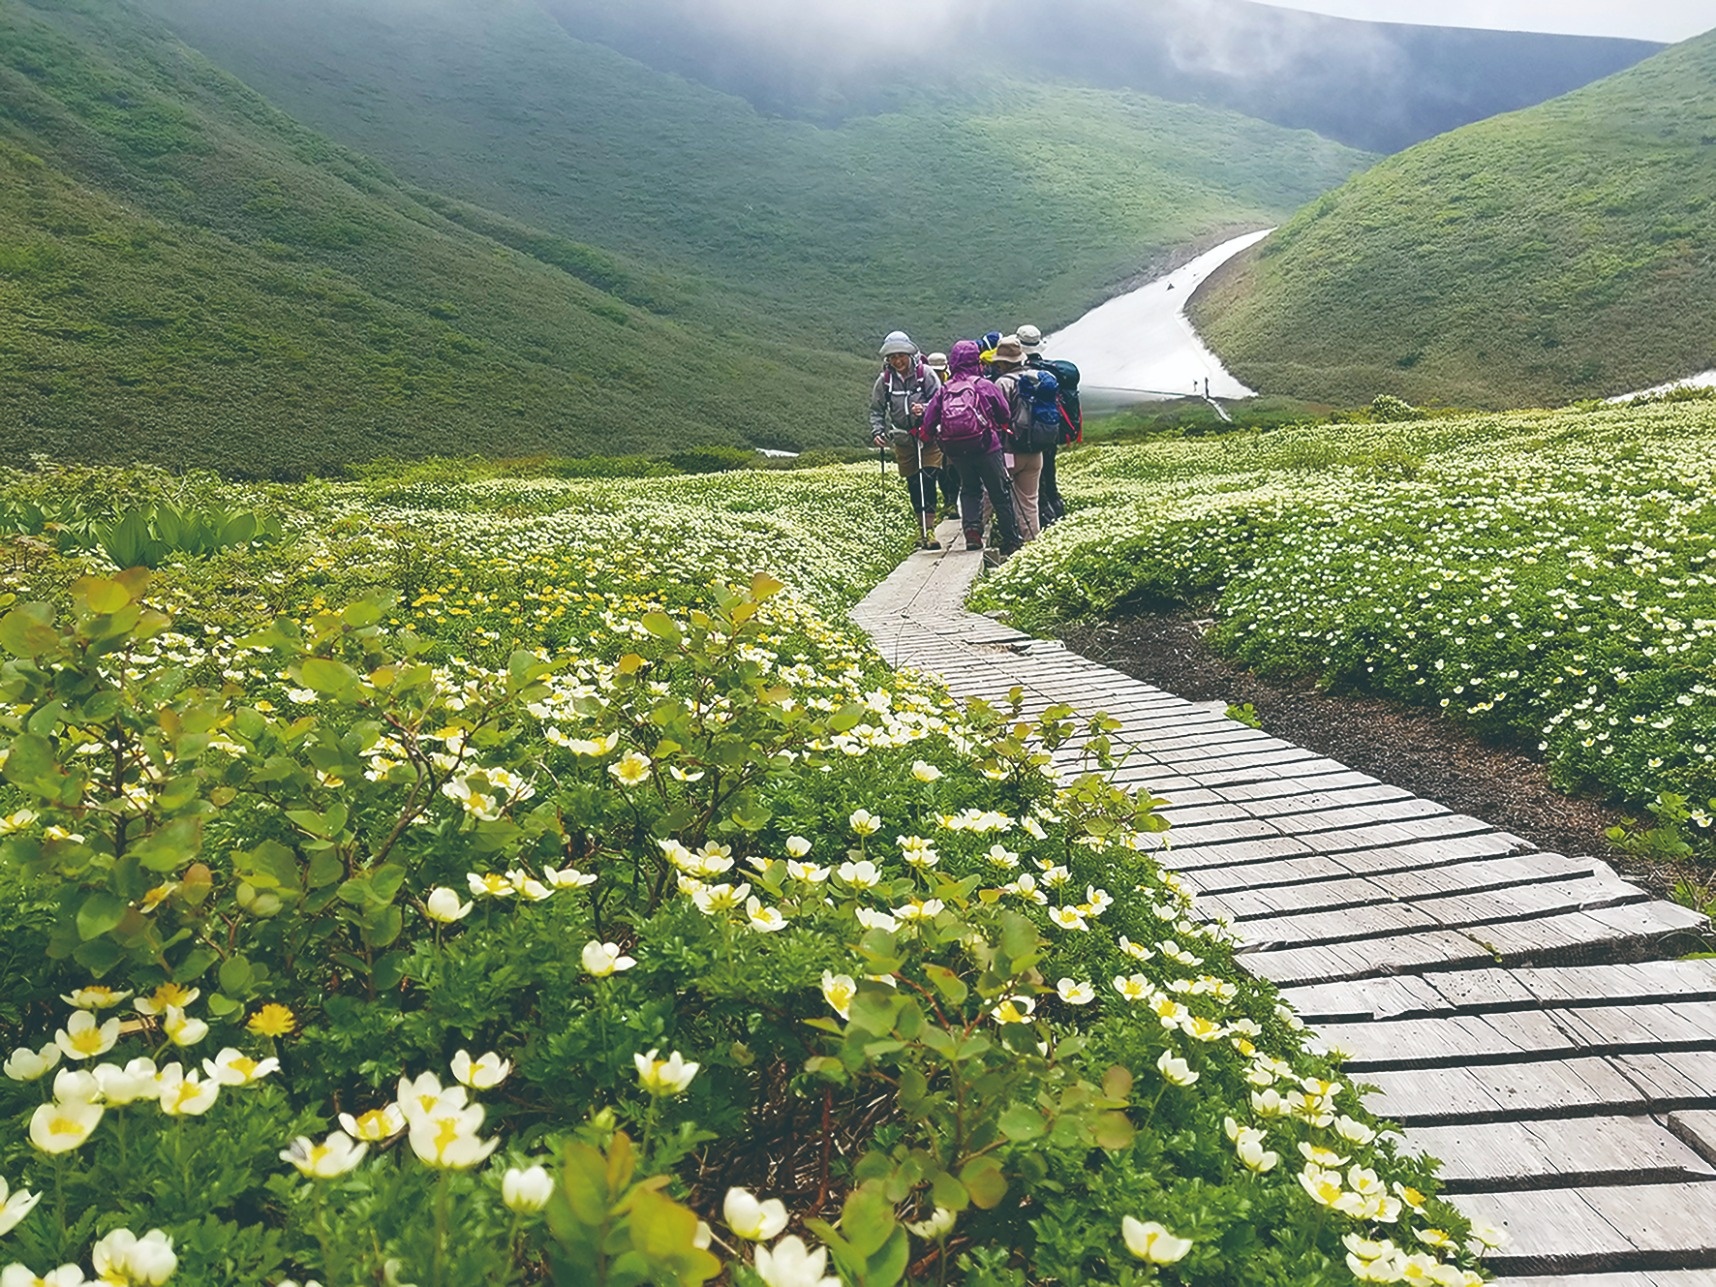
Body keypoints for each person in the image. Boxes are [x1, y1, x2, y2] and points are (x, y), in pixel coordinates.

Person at [917, 339, 1021, 555]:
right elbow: (1005, 414)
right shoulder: (984, 385)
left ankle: (972, 532)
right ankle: (1011, 540)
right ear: (976, 360)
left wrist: (926, 435)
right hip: (987, 446)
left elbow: (929, 419)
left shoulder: (945, 389)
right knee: (999, 492)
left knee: (969, 488)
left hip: (956, 449)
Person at [868, 330, 944, 549]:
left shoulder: (926, 374)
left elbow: (940, 402)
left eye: (901, 355)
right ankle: (921, 530)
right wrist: (877, 431)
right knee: (913, 483)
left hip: (928, 438)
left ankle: (929, 531)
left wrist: (926, 409)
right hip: (903, 439)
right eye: (893, 357)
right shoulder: (885, 381)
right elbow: (877, 410)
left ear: (910, 355)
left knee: (928, 478)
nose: (897, 361)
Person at [1018, 323, 1078, 527]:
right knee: (1049, 475)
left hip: (1030, 436)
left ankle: (1046, 522)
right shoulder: (1051, 372)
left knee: (1037, 484)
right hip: (1051, 432)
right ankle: (1059, 516)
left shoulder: (1022, 374)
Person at [988, 335, 1044, 543]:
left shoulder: (1002, 383)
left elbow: (997, 417)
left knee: (991, 493)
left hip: (1010, 450)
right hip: (1036, 451)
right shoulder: (1037, 376)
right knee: (1030, 501)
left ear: (1002, 363)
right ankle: (1033, 545)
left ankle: (975, 537)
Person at [924, 352, 960, 517]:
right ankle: (948, 501)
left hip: (951, 432)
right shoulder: (926, 383)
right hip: (935, 435)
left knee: (952, 468)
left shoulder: (952, 383)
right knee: (940, 470)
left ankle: (952, 502)